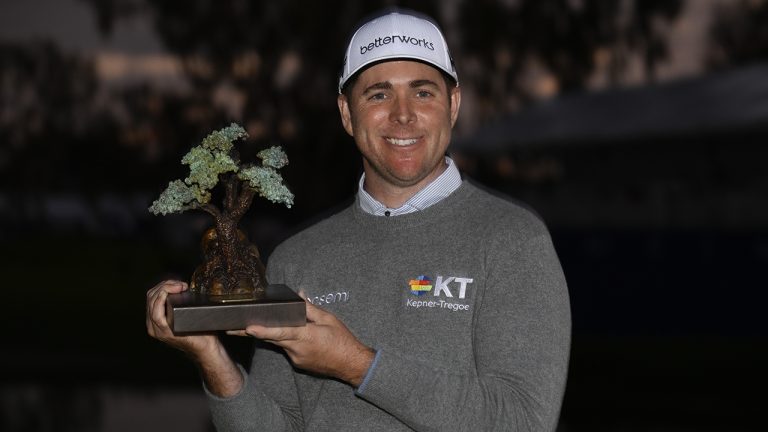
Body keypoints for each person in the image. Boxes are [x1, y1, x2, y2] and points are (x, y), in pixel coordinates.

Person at [147, 9, 571, 431]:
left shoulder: (513, 239)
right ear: (347, 113)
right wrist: (211, 358)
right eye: (378, 95)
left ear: (454, 104)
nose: (403, 114)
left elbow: (523, 421)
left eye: (423, 93)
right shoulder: (297, 258)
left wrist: (354, 364)